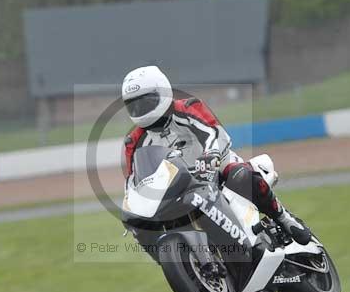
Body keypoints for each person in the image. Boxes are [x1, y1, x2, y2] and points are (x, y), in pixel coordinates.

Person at [121, 65, 312, 245]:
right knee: (140, 225)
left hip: (213, 164)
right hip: (176, 185)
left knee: (239, 174)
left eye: (146, 102)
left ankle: (283, 217)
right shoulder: (133, 140)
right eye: (134, 106)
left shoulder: (187, 107)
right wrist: (134, 206)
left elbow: (214, 132)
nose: (141, 110)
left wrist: (211, 156)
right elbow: (132, 180)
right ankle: (178, 260)